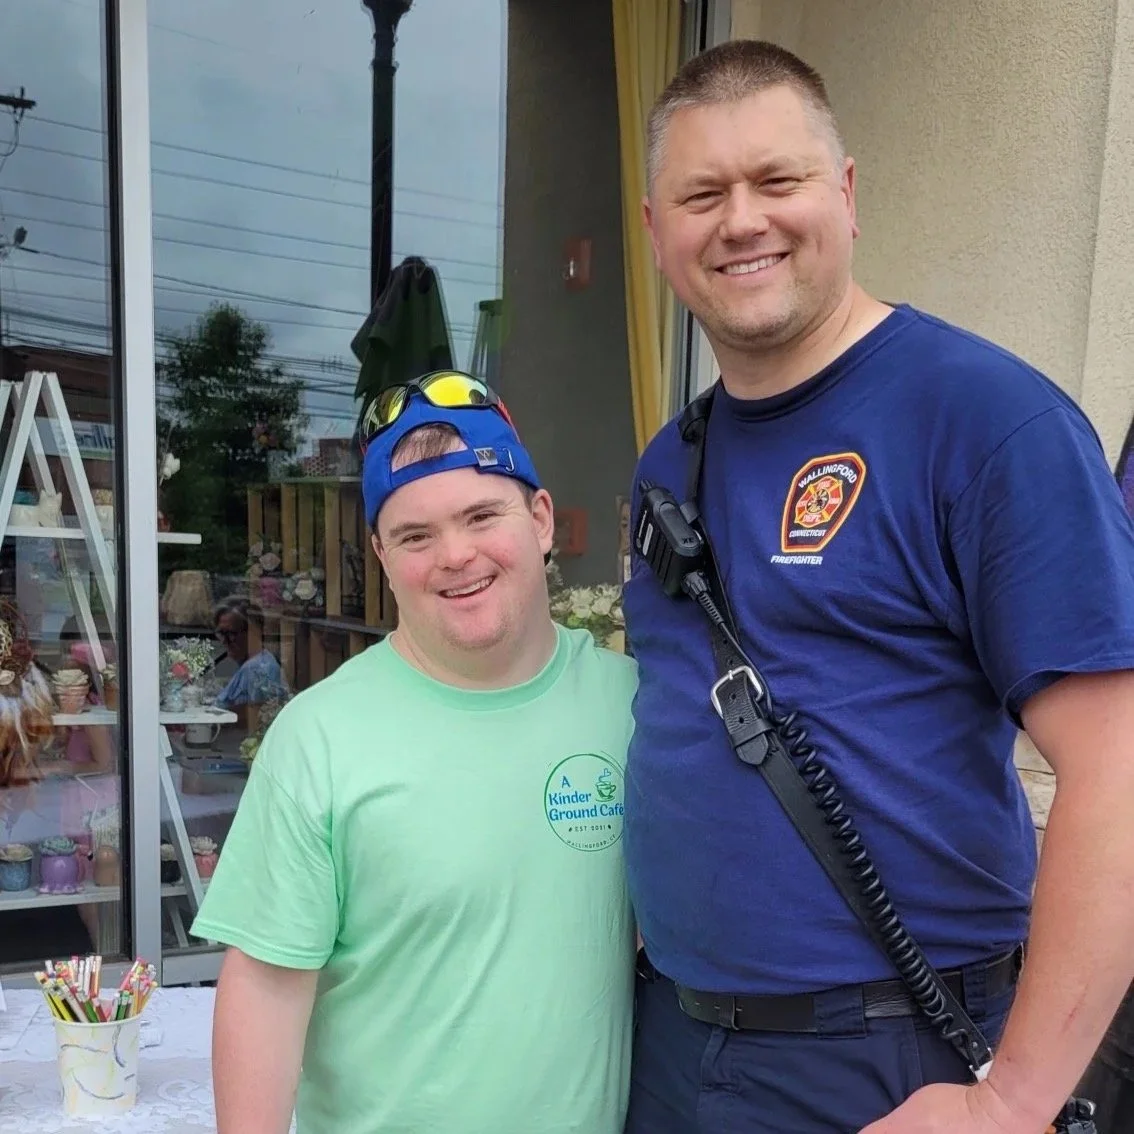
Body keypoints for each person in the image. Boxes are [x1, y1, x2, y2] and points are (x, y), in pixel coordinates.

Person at [621, 38, 1134, 1134]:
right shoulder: (671, 461)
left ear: (845, 196)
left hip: (889, 1056)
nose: (742, 219)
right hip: (672, 1041)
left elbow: (1119, 766)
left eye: (778, 180)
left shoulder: (988, 422)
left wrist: (1013, 1102)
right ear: (657, 233)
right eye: (703, 194)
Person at [189, 370, 638, 1134]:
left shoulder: (634, 707)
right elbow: (265, 991)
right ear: (382, 556)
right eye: (415, 535)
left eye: (480, 515)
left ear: (539, 518)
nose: (455, 556)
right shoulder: (320, 738)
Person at [211, 596, 288, 718]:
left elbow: (252, 720)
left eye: (231, 633)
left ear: (253, 632)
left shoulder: (257, 670)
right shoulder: (253, 663)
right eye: (221, 633)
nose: (225, 641)